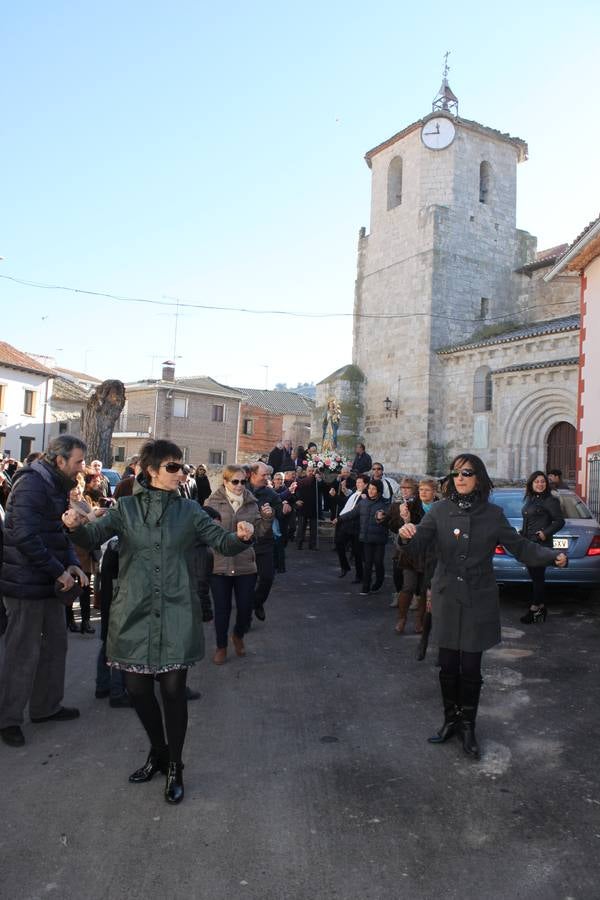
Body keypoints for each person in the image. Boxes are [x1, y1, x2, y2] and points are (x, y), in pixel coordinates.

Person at [62, 438, 255, 803]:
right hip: (134, 609)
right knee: (136, 690)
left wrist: (240, 537)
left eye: (181, 466)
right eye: (172, 466)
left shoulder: (190, 511)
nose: (180, 472)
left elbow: (221, 542)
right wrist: (74, 525)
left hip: (177, 608)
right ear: (150, 471)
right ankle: (159, 750)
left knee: (172, 691)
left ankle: (176, 765)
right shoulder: (127, 509)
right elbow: (92, 535)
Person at [398, 453, 568, 760]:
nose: (459, 478)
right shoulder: (438, 511)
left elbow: (521, 547)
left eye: (466, 472)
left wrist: (549, 556)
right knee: (448, 665)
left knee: (471, 667)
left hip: (479, 597)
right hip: (448, 595)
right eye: (455, 474)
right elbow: (417, 544)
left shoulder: (493, 514)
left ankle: (468, 726)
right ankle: (450, 720)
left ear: (479, 477)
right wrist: (404, 534)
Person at [0, 435, 89, 748]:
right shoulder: (31, 485)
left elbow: (56, 532)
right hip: (25, 584)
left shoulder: (54, 484)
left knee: (55, 646)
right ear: (60, 460)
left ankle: (46, 707)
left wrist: (72, 564)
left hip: (49, 582)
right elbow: (23, 535)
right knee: (21, 654)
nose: (82, 468)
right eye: (77, 461)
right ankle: (8, 719)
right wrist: (59, 570)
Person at [206, 467, 272, 664]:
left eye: (243, 482)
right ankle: (221, 646)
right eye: (235, 482)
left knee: (245, 608)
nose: (239, 486)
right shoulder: (211, 502)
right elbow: (207, 532)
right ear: (225, 482)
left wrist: (267, 518)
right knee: (222, 610)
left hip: (245, 564)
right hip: (220, 565)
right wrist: (233, 536)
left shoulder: (252, 503)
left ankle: (238, 635)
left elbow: (259, 531)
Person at [520, 471, 565, 624]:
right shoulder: (530, 499)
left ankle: (534, 609)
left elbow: (559, 521)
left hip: (540, 544)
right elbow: (528, 520)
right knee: (535, 577)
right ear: (531, 484)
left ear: (546, 484)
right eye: (537, 482)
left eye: (543, 482)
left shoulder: (550, 500)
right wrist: (522, 533)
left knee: (538, 577)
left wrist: (545, 533)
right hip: (528, 543)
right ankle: (542, 608)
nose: (540, 484)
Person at [247, 462, 280, 620]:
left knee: (267, 577)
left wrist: (284, 507)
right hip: (245, 543)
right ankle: (245, 619)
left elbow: (279, 507)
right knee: (246, 582)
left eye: (268, 475)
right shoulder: (242, 489)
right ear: (253, 475)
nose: (267, 478)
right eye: (264, 475)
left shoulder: (270, 493)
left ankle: (257, 602)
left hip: (265, 542)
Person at [342, 478, 388, 594]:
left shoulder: (385, 504)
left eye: (374, 489)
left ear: (379, 491)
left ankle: (379, 580)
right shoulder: (363, 503)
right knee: (367, 563)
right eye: (369, 489)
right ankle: (365, 587)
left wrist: (383, 518)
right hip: (367, 538)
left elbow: (389, 519)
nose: (371, 491)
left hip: (379, 539)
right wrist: (339, 518)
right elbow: (352, 513)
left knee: (378, 562)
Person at [333, 473, 369, 582]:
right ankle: (345, 567)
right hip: (346, 523)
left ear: (366, 484)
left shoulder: (366, 495)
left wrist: (340, 519)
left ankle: (359, 576)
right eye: (357, 482)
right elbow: (345, 503)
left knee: (357, 552)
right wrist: (335, 495)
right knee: (339, 543)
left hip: (356, 526)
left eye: (360, 482)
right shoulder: (354, 492)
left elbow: (355, 512)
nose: (357, 484)